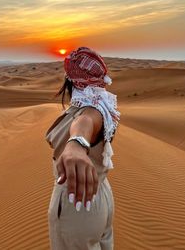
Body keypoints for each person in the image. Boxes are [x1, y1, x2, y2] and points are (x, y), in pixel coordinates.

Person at [45, 47, 121, 250]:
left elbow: (86, 122)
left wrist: (76, 144)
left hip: (77, 202)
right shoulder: (103, 106)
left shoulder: (91, 110)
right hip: (100, 196)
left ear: (70, 80)